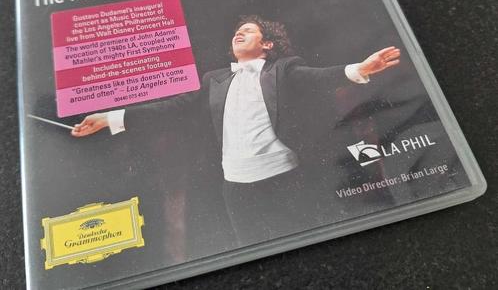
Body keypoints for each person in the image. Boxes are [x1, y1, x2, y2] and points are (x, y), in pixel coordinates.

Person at [72, 15, 400, 245]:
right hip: (236, 188)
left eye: (248, 31)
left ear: (267, 44)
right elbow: (170, 108)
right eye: (237, 32)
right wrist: (110, 118)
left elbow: (317, 77)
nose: (238, 34)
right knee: (253, 251)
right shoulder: (214, 80)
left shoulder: (282, 69)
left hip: (284, 179)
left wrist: (359, 69)